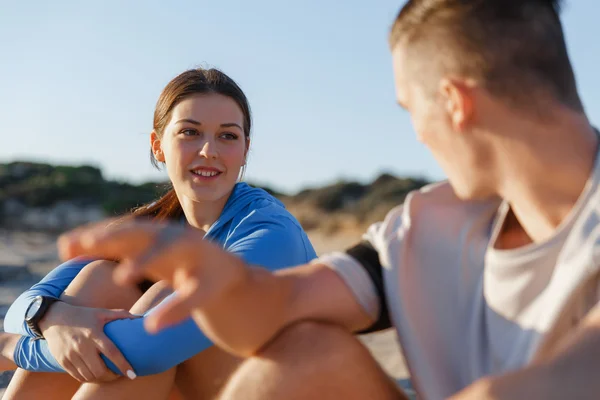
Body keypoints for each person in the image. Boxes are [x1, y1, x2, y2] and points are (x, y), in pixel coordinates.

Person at [55, 0, 600, 399]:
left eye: (410, 109)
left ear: (454, 104)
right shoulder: (426, 227)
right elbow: (282, 305)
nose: (418, 136)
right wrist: (220, 281)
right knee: (308, 350)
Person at [0, 68, 316, 400]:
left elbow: (149, 349)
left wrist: (13, 349)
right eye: (190, 132)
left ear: (245, 149)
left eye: (228, 136)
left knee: (165, 297)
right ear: (158, 145)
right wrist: (55, 317)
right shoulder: (157, 223)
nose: (209, 150)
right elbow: (26, 306)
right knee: (103, 279)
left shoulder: (269, 231)